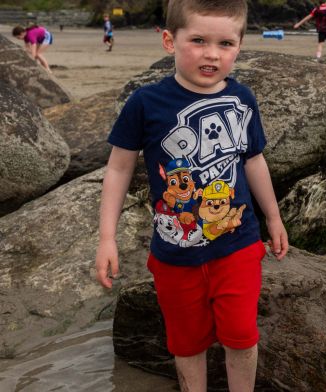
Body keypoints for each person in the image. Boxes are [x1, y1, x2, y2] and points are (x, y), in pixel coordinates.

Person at [94, 1, 289, 391]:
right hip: (174, 254)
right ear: (170, 40)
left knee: (241, 338)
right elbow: (118, 169)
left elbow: (254, 161)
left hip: (237, 245)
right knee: (186, 344)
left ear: (239, 46)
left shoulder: (242, 100)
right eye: (198, 40)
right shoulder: (145, 103)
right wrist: (106, 237)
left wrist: (274, 218)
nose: (212, 54)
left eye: (225, 43)